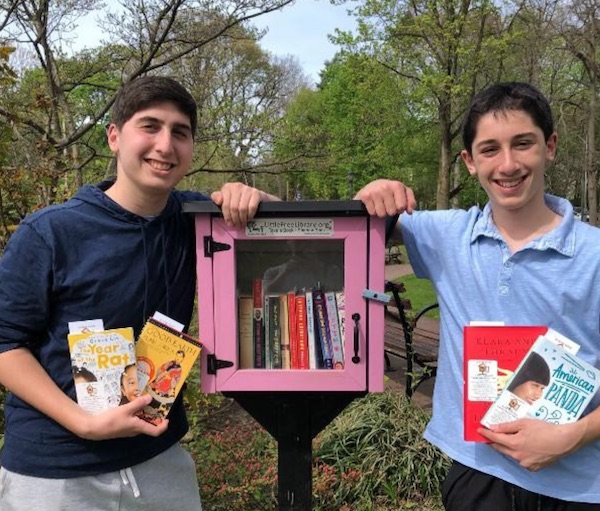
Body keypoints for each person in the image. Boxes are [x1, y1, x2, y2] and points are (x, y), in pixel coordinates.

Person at [0, 75, 279, 511]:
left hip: (158, 460)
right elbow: (5, 345)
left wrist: (253, 195)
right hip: (55, 473)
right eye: (150, 126)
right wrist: (84, 423)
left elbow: (300, 231)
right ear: (114, 137)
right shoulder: (49, 233)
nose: (165, 145)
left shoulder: (197, 221)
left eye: (180, 132)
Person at [355, 82, 600, 509]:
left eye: (523, 144)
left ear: (551, 146)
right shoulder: (447, 235)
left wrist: (572, 435)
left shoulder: (594, 255)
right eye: (489, 149)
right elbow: (347, 231)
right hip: (476, 475)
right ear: (468, 161)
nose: (507, 164)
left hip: (574, 486)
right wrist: (370, 195)